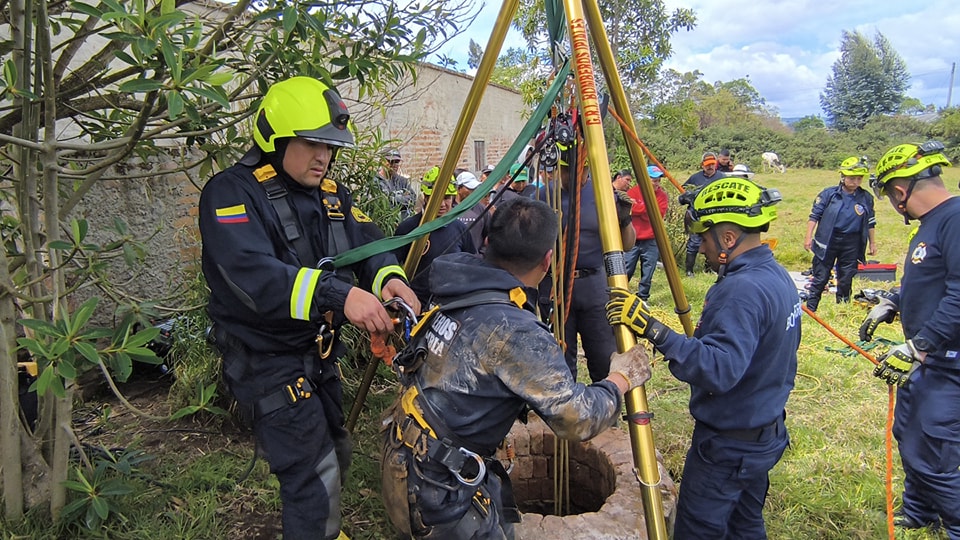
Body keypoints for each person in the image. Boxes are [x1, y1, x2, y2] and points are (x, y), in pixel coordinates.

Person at [199, 76, 421, 540]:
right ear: (275, 138)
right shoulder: (231, 194)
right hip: (267, 362)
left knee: (335, 450)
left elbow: (367, 242)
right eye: (312, 144)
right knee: (310, 474)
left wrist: (389, 278)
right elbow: (251, 276)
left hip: (317, 359)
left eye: (331, 146)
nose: (325, 156)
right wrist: (339, 297)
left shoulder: (330, 195)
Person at [380, 197, 651, 539]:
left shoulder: (454, 283)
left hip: (410, 457)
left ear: (487, 242)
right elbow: (576, 418)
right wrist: (620, 379)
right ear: (548, 260)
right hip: (440, 488)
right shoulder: (514, 330)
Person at [607, 178, 801, 539]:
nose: (701, 246)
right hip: (763, 433)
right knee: (745, 525)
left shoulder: (741, 291)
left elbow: (719, 369)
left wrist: (655, 330)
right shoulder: (776, 276)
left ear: (728, 238)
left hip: (729, 446)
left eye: (704, 236)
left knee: (698, 530)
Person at [858, 140, 960, 536]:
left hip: (948, 363)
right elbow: (931, 280)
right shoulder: (932, 223)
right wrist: (893, 302)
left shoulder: (955, 220)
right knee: (909, 435)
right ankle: (919, 513)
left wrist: (919, 346)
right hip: (927, 361)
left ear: (899, 192)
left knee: (933, 451)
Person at [536, 143, 624, 382]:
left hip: (594, 286)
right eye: (566, 170)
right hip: (556, 286)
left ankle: (606, 413)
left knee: (603, 356)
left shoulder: (603, 195)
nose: (573, 177)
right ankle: (563, 413)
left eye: (580, 170)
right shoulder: (545, 195)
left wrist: (624, 221)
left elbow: (626, 244)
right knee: (559, 359)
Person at [393, 166, 477, 304]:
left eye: (447, 198)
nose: (443, 204)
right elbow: (393, 265)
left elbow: (471, 264)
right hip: (418, 305)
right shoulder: (409, 228)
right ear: (426, 198)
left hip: (452, 304)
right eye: (437, 199)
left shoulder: (460, 229)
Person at [803, 157, 877, 311]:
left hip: (852, 242)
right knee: (820, 277)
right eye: (852, 178)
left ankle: (842, 309)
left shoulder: (866, 197)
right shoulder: (828, 194)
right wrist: (808, 237)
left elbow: (870, 222)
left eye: (859, 178)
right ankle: (810, 309)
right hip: (828, 240)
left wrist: (873, 243)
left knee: (846, 278)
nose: (855, 182)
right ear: (843, 177)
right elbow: (814, 216)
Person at [624, 165, 670, 300]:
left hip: (651, 239)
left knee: (648, 272)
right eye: (654, 179)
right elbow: (629, 211)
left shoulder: (662, 196)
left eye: (658, 180)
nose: (657, 183)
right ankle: (621, 295)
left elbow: (657, 214)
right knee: (626, 269)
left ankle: (643, 298)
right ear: (645, 179)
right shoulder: (633, 192)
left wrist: (639, 208)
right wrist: (647, 208)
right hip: (632, 239)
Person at [681, 152, 723, 275]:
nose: (710, 167)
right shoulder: (694, 178)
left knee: (715, 243)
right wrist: (687, 197)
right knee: (694, 243)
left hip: (715, 216)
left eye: (712, 164)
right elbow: (681, 197)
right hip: (696, 217)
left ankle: (710, 269)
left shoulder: (723, 178)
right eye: (707, 164)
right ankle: (689, 271)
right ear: (702, 165)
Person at [454, 170, 492, 254]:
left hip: (475, 262)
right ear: (459, 189)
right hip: (454, 261)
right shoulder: (450, 210)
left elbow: (490, 234)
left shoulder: (481, 209)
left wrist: (481, 255)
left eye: (474, 188)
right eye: (470, 188)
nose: (473, 191)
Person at [377, 148, 418, 219]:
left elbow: (413, 199)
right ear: (381, 161)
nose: (394, 165)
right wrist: (403, 197)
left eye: (397, 161)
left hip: (403, 223)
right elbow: (381, 204)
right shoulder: (375, 181)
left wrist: (393, 198)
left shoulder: (402, 181)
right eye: (391, 161)